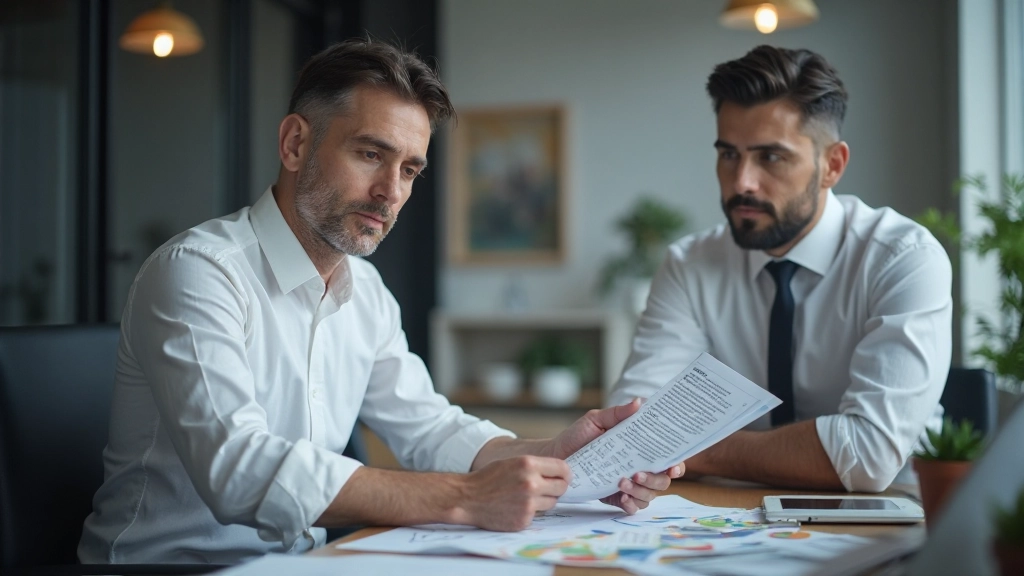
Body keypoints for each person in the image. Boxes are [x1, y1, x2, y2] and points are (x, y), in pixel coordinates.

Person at [78, 38, 684, 565]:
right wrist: (466, 498)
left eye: (410, 169)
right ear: (294, 144)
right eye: (370, 154)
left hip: (307, 563)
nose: (389, 192)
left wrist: (556, 455)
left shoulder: (365, 292)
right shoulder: (198, 273)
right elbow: (238, 470)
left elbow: (431, 429)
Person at [608, 45, 952, 493]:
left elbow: (867, 457)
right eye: (729, 154)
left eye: (771, 157)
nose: (742, 182)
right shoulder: (689, 265)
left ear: (832, 165)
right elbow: (631, 428)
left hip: (890, 516)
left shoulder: (902, 258)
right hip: (726, 514)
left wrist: (690, 449)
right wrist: (659, 444)